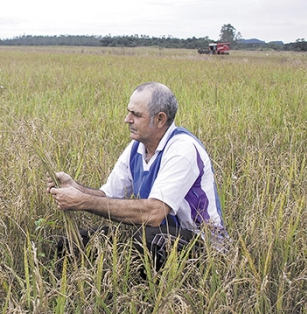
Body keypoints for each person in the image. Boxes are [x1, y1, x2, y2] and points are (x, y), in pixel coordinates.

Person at [46, 82, 228, 271]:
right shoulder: (137, 148)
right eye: (129, 112)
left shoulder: (182, 149)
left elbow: (154, 213)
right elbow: (108, 196)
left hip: (202, 245)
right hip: (158, 233)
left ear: (159, 119)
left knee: (144, 242)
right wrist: (76, 189)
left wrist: (83, 201)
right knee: (75, 243)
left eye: (136, 115)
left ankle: (138, 296)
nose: (127, 119)